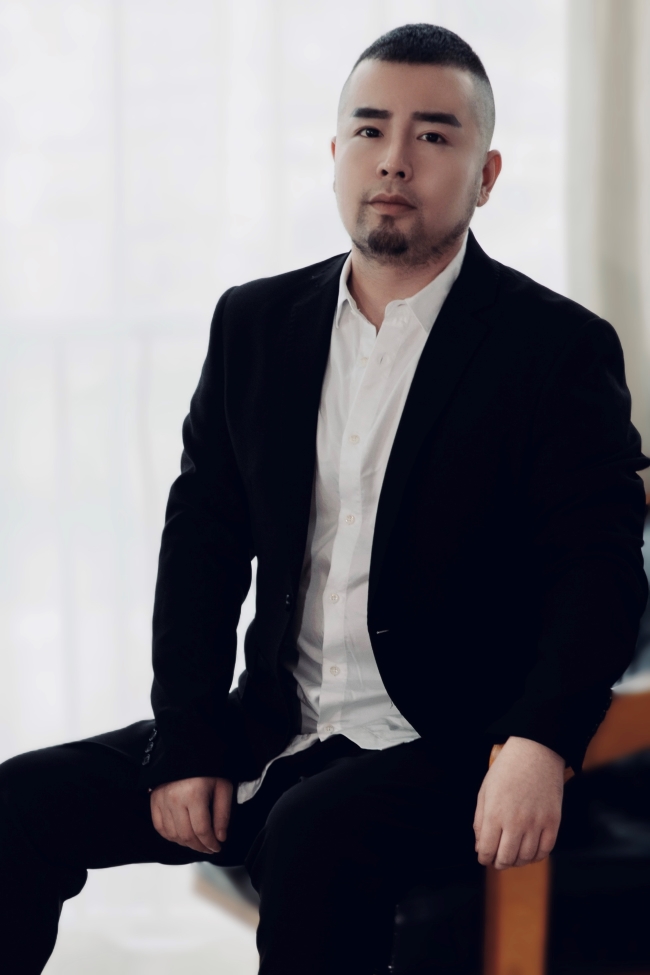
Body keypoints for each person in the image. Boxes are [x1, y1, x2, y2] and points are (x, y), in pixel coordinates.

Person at [0, 23, 647, 975]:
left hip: (449, 740)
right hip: (274, 722)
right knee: (21, 801)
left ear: (486, 174)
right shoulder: (255, 324)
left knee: (313, 834)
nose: (394, 160)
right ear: (335, 151)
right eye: (370, 129)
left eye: (433, 135)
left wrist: (540, 740)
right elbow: (202, 544)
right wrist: (188, 737)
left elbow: (601, 572)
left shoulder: (555, 350)